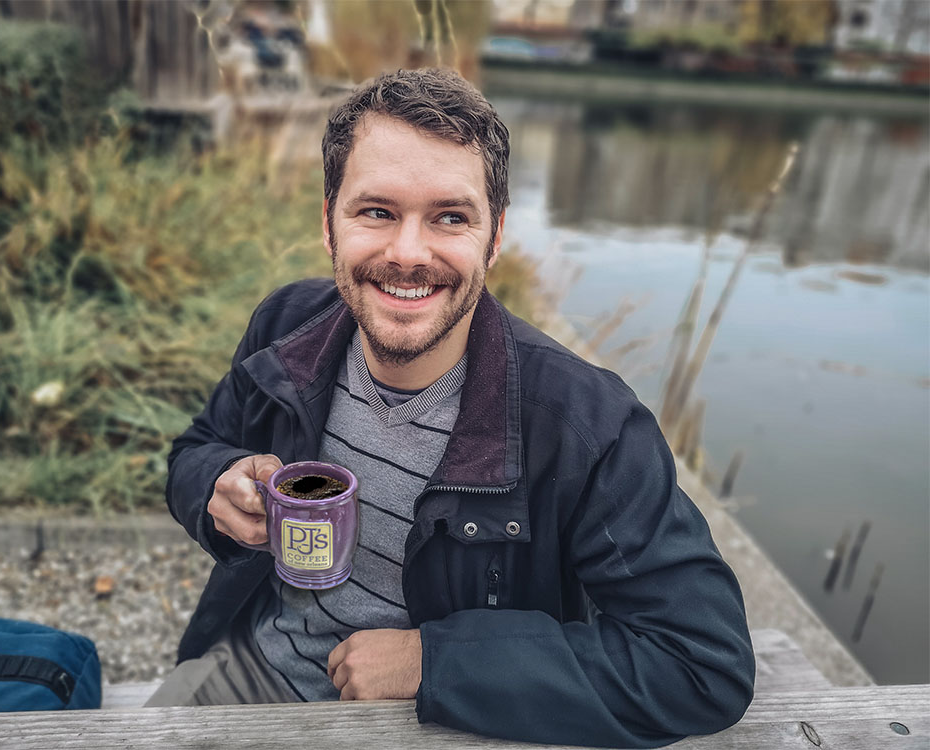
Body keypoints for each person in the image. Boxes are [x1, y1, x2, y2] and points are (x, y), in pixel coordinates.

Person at [149, 68, 755, 748]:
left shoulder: (588, 427)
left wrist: (438, 659)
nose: (408, 254)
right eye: (376, 211)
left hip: (454, 722)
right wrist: (214, 486)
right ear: (329, 225)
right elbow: (195, 450)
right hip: (254, 677)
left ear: (494, 238)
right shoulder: (286, 327)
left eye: (450, 217)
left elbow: (702, 663)